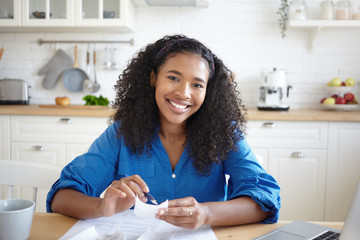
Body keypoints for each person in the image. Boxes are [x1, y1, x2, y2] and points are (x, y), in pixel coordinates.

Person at [47, 34, 281, 230]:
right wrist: (102, 206)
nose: (184, 93)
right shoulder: (122, 133)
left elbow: (265, 198)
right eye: (173, 78)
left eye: (197, 84)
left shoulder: (224, 133)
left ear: (208, 91)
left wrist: (207, 213)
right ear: (153, 78)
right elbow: (62, 197)